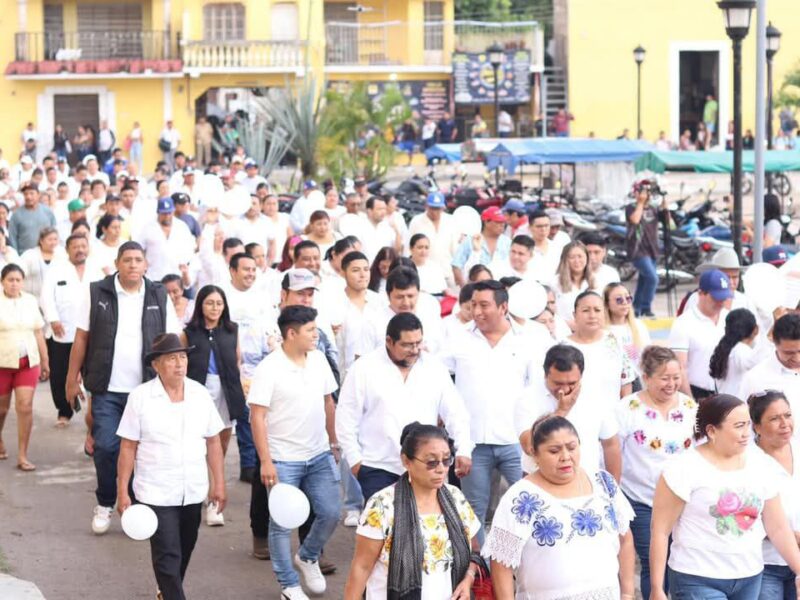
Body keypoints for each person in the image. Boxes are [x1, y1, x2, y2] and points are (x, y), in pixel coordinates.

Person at [66, 241, 180, 535]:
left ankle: (134, 505)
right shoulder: (97, 292)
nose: (132, 265)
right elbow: (81, 338)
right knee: (106, 447)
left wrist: (175, 381)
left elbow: (173, 339)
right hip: (107, 389)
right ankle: (106, 502)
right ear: (117, 263)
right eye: (127, 259)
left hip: (146, 389)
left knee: (144, 451)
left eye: (138, 260)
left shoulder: (158, 294)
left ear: (145, 265)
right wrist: (71, 378)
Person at [650, 394, 800, 600]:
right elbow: (660, 531)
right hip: (697, 576)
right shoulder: (683, 468)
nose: (746, 433)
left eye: (747, 425)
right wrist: (656, 588)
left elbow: (778, 527)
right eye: (738, 426)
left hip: (749, 575)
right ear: (712, 431)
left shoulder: (761, 464)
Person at [116, 333, 226, 600]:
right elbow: (128, 446)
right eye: (172, 358)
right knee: (167, 555)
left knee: (185, 548)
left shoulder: (200, 394)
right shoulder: (140, 397)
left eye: (183, 357)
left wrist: (219, 484)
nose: (179, 364)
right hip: (156, 491)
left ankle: (166, 592)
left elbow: (213, 441)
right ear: (156, 365)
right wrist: (122, 490)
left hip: (193, 489)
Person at [484, 415, 635, 599]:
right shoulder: (521, 497)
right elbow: (501, 563)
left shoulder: (603, 482)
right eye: (554, 451)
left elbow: (625, 539)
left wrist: (627, 593)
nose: (565, 457)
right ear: (535, 454)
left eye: (572, 447)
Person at [248, 305, 341, 600]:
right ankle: (288, 585)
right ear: (291, 333)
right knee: (281, 524)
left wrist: (333, 442)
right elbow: (257, 417)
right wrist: (266, 461)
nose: (316, 335)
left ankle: (308, 555)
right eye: (310, 330)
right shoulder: (269, 368)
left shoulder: (319, 360)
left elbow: (328, 403)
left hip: (319, 454)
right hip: (282, 459)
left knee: (331, 512)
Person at [442, 280, 541, 544]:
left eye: (484, 305)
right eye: (473, 305)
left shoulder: (528, 339)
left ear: (503, 307)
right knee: (473, 512)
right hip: (472, 442)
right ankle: (480, 567)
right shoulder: (458, 337)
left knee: (530, 504)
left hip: (518, 441)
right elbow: (440, 380)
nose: (477, 311)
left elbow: (537, 389)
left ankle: (523, 562)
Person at [337, 312, 473, 501]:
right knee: (384, 520)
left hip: (425, 466)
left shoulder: (434, 368)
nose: (415, 350)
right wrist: (355, 462)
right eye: (407, 345)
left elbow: (455, 413)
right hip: (377, 467)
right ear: (389, 341)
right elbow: (346, 418)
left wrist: (463, 449)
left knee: (425, 519)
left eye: (418, 343)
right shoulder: (364, 369)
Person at [344, 422, 481, 599]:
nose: (441, 469)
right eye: (431, 462)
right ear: (406, 461)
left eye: (447, 460)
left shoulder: (455, 498)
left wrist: (468, 579)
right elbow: (361, 568)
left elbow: (474, 550)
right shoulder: (382, 505)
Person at [614, 346, 697, 599]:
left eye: (676, 377)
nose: (671, 384)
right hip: (641, 499)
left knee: (679, 559)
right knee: (653, 561)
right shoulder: (627, 408)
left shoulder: (690, 407)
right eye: (664, 378)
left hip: (682, 500)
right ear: (646, 377)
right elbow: (612, 452)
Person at [183, 285, 246, 527]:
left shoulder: (232, 330)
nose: (215, 308)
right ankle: (211, 498)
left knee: (221, 443)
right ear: (200, 305)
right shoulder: (188, 333)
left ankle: (212, 489)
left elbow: (237, 361)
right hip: (199, 391)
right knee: (203, 444)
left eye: (219, 303)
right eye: (210, 303)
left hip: (226, 390)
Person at [518, 343, 620, 478]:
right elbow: (528, 446)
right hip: (540, 483)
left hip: (586, 481)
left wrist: (614, 486)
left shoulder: (596, 396)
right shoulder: (527, 398)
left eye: (572, 383)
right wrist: (561, 411)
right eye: (558, 383)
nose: (565, 390)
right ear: (545, 375)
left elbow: (611, 444)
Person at [40, 235, 100, 427]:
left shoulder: (96, 269)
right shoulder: (56, 269)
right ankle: (64, 411)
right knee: (60, 374)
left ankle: (94, 413)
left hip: (91, 331)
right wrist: (53, 319)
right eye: (75, 247)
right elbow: (46, 296)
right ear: (67, 250)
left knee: (93, 373)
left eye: (83, 246)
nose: (80, 250)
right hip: (63, 331)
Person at [748, 391, 800, 599]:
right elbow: (745, 513)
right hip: (766, 564)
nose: (784, 424)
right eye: (774, 419)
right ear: (756, 426)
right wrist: (792, 537)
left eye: (787, 415)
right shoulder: (748, 461)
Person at [0, 264, 49, 471]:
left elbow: (38, 332)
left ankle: (22, 455)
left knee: (25, 406)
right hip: (2, 364)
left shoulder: (30, 301)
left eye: (18, 280)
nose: (14, 284)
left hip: (28, 362)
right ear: (2, 281)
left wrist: (45, 360)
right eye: (10, 280)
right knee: (2, 409)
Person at [670, 269, 731, 400]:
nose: (720, 303)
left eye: (723, 298)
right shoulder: (683, 323)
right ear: (701, 293)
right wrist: (690, 402)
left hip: (728, 392)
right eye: (716, 298)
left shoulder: (729, 318)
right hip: (698, 393)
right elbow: (680, 368)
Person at [739, 313, 800, 414]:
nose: (797, 359)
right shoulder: (755, 379)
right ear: (774, 343)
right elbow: (743, 418)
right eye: (789, 353)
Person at [626, 180, 667, 317]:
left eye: (647, 192)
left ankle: (636, 309)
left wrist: (664, 203)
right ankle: (646, 307)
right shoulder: (631, 207)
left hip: (652, 250)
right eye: (642, 191)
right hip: (638, 250)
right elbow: (635, 220)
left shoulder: (653, 208)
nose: (646, 194)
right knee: (652, 278)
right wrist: (641, 203)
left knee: (643, 280)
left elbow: (668, 222)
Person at [709, 308, 768, 396]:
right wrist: (770, 337)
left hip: (723, 401)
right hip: (736, 402)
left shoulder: (725, 349)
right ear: (756, 329)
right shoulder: (740, 350)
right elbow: (755, 362)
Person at [136, 197, 195, 282]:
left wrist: (185, 264)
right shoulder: (148, 228)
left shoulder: (182, 227)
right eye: (164, 213)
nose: (167, 216)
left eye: (169, 213)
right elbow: (139, 249)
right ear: (158, 212)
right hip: (154, 276)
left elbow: (189, 249)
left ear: (173, 211)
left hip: (176, 276)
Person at [408, 192, 460, 289]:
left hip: (448, 272)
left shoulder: (451, 221)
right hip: (425, 274)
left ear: (443, 208)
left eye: (438, 208)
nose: (435, 212)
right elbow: (409, 247)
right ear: (426, 206)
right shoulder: (416, 222)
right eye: (432, 208)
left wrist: (458, 271)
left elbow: (456, 249)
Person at [451, 206, 511, 287]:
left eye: (503, 222)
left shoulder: (507, 242)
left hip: (500, 288)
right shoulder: (471, 240)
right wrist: (464, 287)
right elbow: (456, 265)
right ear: (486, 222)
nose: (502, 225)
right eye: (498, 222)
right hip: (475, 287)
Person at [604, 282, 651, 386]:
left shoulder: (639, 325)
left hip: (639, 382)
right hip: (614, 383)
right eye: (619, 300)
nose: (625, 302)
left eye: (628, 298)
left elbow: (648, 357)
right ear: (607, 304)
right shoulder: (603, 331)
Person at [552, 241, 594, 322]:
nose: (577, 261)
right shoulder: (554, 282)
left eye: (580, 256)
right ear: (565, 259)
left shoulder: (595, 281)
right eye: (572, 257)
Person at [19, 226, 65, 299]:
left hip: (55, 299)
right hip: (32, 298)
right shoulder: (29, 255)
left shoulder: (63, 254)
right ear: (41, 241)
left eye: (55, 239)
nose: (53, 242)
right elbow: (19, 274)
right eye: (50, 239)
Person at [8, 184, 57, 253]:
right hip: (24, 254)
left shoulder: (47, 211)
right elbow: (12, 237)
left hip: (45, 254)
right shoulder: (16, 215)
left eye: (31, 193)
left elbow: (54, 231)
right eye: (26, 194)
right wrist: (15, 255)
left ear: (38, 195)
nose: (28, 197)